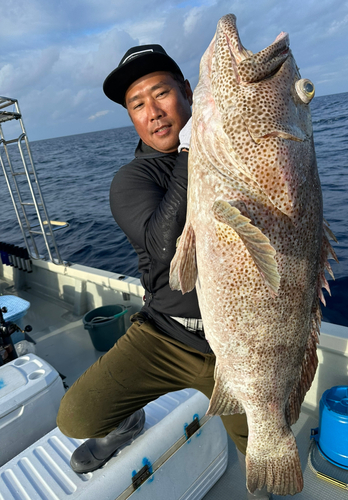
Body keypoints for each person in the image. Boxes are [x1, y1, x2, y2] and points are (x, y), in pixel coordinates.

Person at [56, 44, 271, 500]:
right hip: (166, 335)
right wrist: (195, 146)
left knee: (263, 445)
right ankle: (128, 421)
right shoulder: (132, 180)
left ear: (189, 92)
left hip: (236, 343)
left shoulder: (232, 156)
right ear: (131, 117)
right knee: (74, 417)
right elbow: (165, 245)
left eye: (161, 94)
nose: (153, 112)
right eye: (138, 104)